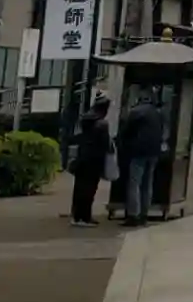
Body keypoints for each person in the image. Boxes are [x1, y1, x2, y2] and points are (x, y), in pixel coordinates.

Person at [118, 88, 165, 225]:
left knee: (134, 183)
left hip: (138, 151)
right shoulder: (157, 113)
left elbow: (126, 131)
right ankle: (144, 213)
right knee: (147, 183)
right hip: (154, 152)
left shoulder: (135, 112)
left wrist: (123, 145)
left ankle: (133, 215)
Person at [69, 96, 112, 227]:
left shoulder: (85, 119)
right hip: (95, 160)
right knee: (90, 190)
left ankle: (78, 216)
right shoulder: (102, 124)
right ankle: (85, 217)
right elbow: (106, 144)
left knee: (80, 188)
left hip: (82, 158)